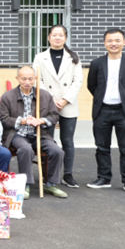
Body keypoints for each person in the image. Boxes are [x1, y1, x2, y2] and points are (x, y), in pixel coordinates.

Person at [86, 28, 125, 195]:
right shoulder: (97, 63)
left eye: (117, 40)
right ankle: (103, 178)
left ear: (124, 42)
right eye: (110, 40)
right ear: (104, 43)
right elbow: (92, 85)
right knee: (102, 147)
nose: (113, 43)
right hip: (102, 110)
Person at [0, 66, 67, 199]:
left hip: (40, 134)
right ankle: (26, 184)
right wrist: (23, 121)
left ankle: (51, 184)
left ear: (35, 78)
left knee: (57, 151)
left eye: (30, 79)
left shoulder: (45, 95)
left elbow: (54, 116)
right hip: (17, 134)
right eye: (24, 79)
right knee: (26, 149)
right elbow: (3, 119)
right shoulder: (8, 96)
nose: (27, 82)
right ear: (17, 78)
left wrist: (41, 121)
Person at [32, 24, 84, 188]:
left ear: (65, 38)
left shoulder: (74, 57)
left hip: (68, 104)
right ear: (49, 37)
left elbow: (78, 81)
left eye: (60, 35)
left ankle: (68, 174)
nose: (57, 38)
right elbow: (37, 80)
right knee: (48, 140)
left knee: (67, 140)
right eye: (54, 35)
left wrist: (65, 99)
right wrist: (51, 99)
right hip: (47, 104)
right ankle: (48, 174)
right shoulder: (40, 57)